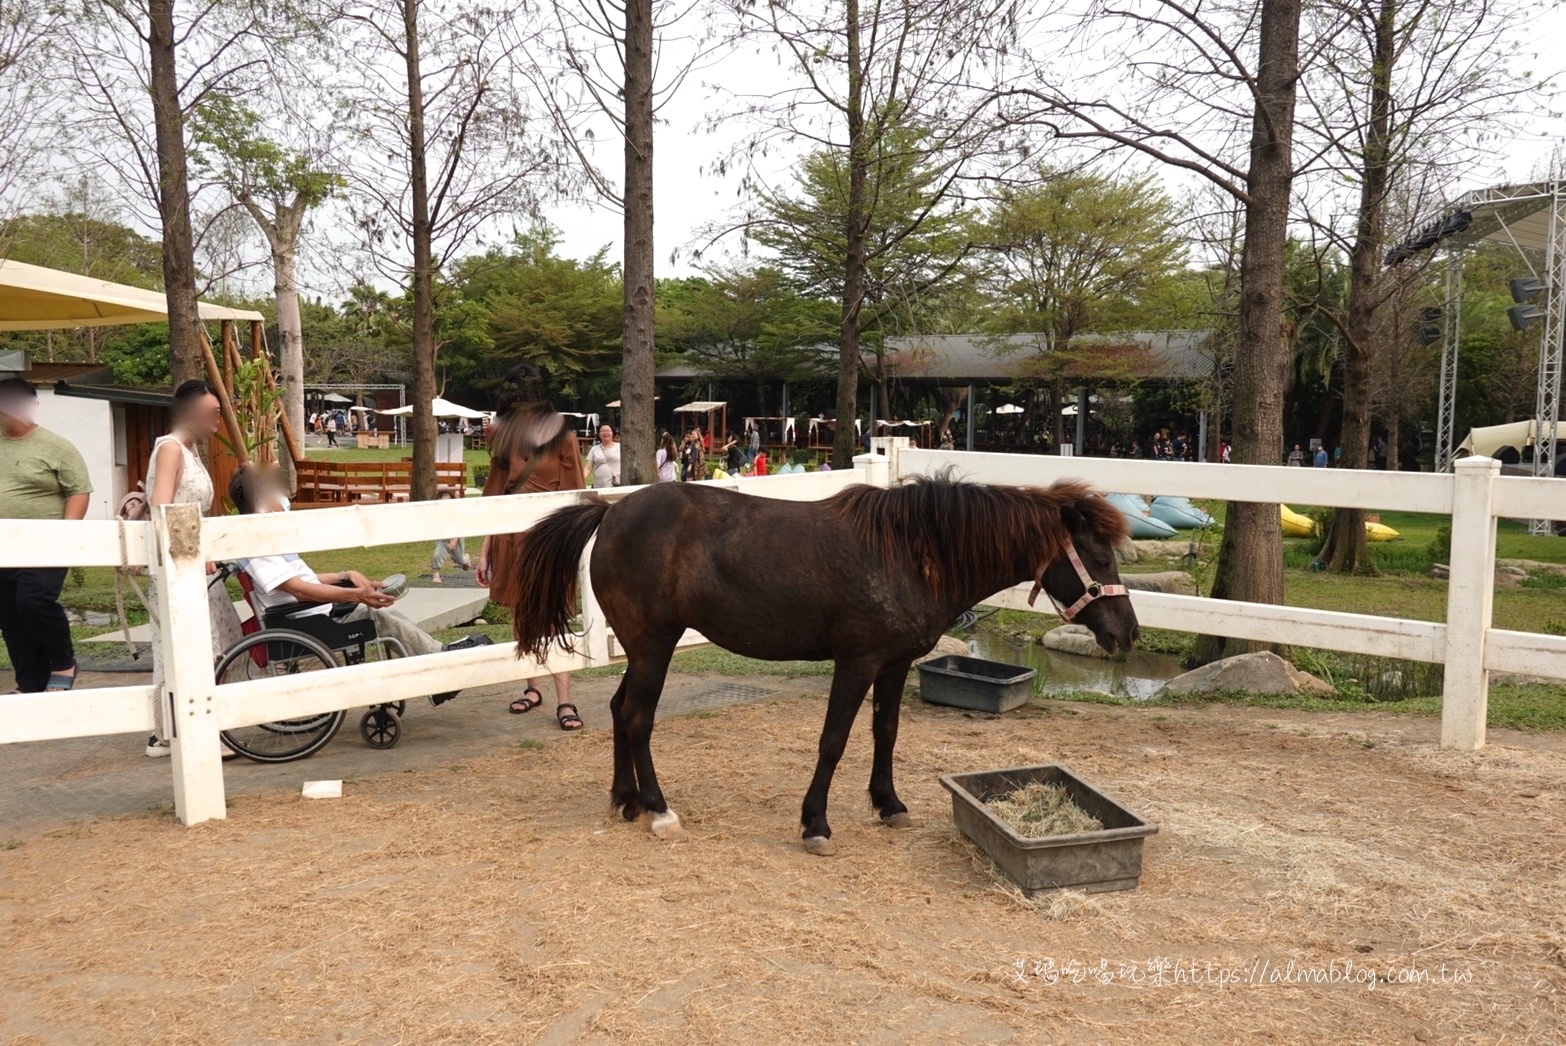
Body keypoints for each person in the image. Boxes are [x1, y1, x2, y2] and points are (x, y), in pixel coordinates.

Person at [230, 467, 490, 705]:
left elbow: (304, 580)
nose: (283, 495)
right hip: (304, 621)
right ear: (261, 497)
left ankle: (437, 663)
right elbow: (299, 590)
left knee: (384, 613)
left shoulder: (266, 536)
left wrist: (347, 575)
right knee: (380, 617)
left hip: (312, 614)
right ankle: (441, 662)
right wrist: (357, 595)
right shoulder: (257, 544)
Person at [475, 367, 586, 730]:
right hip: (511, 537)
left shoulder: (564, 438)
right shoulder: (506, 440)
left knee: (554, 614)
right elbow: (494, 499)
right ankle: (532, 687)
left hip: (549, 538)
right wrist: (484, 551)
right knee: (522, 613)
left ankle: (565, 700)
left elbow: (576, 497)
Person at [144, 380, 244, 757]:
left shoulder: (192, 450)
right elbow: (162, 509)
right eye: (213, 413)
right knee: (190, 646)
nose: (218, 420)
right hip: (180, 568)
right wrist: (190, 553)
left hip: (200, 566)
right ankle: (188, 733)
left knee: (217, 641)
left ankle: (196, 726)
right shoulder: (171, 450)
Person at [0, 378, 91, 694]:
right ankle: (30, 683)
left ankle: (63, 662)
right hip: (3, 547)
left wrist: (65, 535)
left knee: (33, 601)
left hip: (45, 544)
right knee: (9, 614)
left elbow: (78, 491)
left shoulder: (56, 446)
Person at [429, 490, 472, 584]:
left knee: (459, 559)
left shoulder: (455, 512)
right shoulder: (437, 512)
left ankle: (466, 559)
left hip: (456, 537)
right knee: (437, 555)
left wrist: (454, 540)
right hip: (443, 538)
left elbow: (458, 526)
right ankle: (436, 574)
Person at [587, 423, 621, 488]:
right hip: (598, 486)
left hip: (616, 485)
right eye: (603, 431)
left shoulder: (620, 447)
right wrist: (580, 478)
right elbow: (588, 468)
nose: (606, 433)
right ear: (599, 434)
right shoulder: (594, 449)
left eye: (608, 431)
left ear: (612, 433)